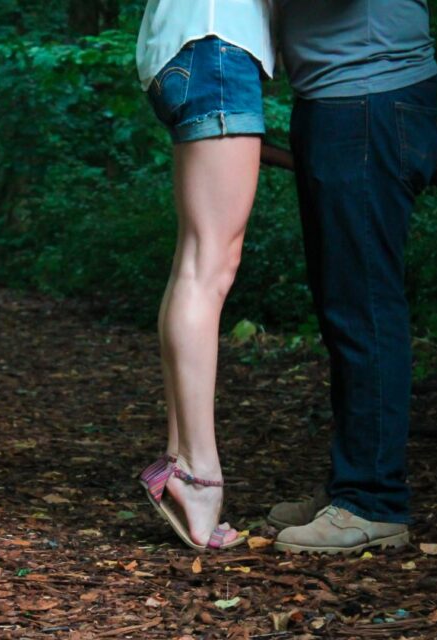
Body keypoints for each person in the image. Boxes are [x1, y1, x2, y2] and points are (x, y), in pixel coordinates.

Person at [267, 0, 437, 554]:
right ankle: (352, 484)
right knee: (344, 306)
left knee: (362, 305)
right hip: (344, 100)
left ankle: (372, 500)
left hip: (367, 98)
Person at [134, 0, 274, 551]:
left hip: (186, 48)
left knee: (195, 263)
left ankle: (179, 460)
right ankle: (196, 473)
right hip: (217, 45)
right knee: (209, 266)